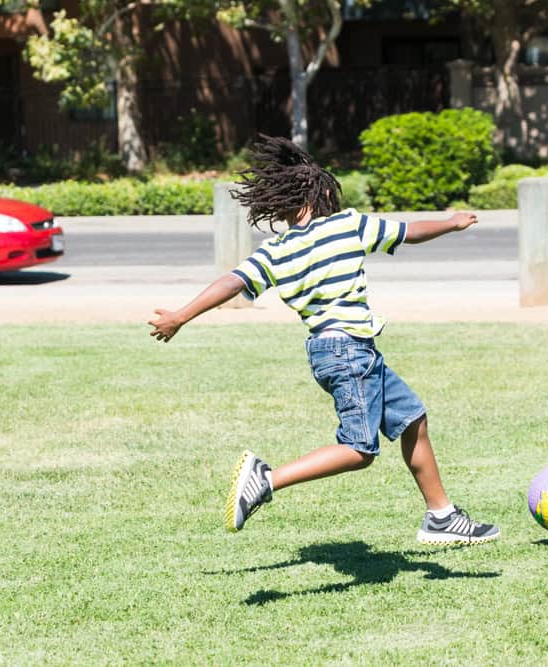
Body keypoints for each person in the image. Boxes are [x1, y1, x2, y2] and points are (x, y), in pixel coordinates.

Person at [148, 134, 499, 545]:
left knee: (412, 420)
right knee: (359, 450)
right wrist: (451, 224)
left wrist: (180, 316)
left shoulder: (276, 250)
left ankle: (441, 516)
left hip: (338, 350)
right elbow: (409, 231)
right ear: (317, 192)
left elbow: (232, 282)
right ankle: (266, 480)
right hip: (349, 351)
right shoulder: (348, 225)